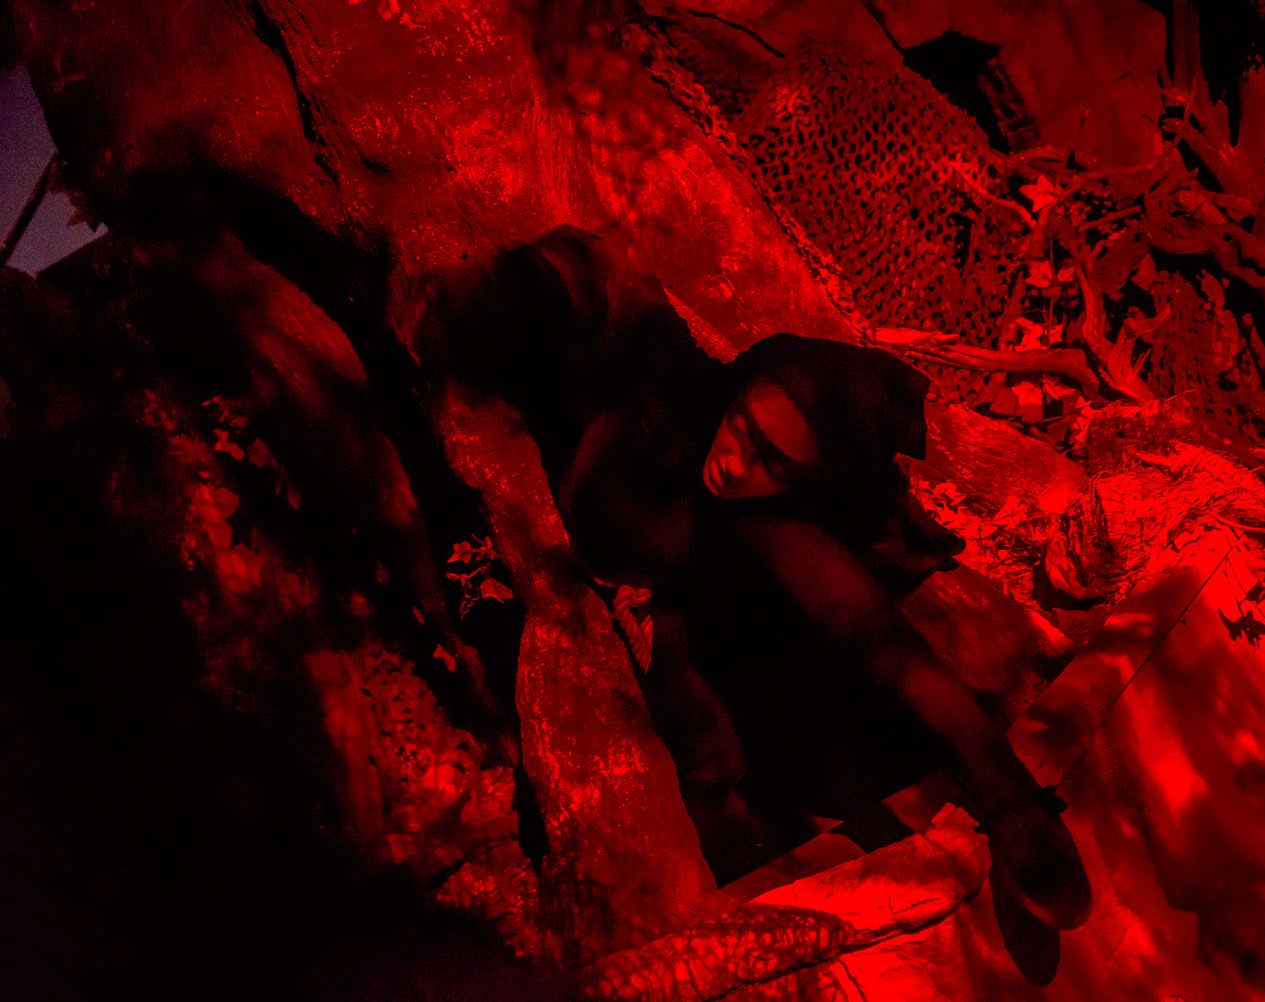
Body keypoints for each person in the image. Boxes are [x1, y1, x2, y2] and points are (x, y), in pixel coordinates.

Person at [451, 227, 1090, 984]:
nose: (735, 461)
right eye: (744, 427)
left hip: (697, 656)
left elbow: (888, 648)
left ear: (803, 483)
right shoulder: (670, 392)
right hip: (561, 552)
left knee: (732, 759)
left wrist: (1011, 797)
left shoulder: (777, 529)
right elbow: (606, 291)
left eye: (771, 462)